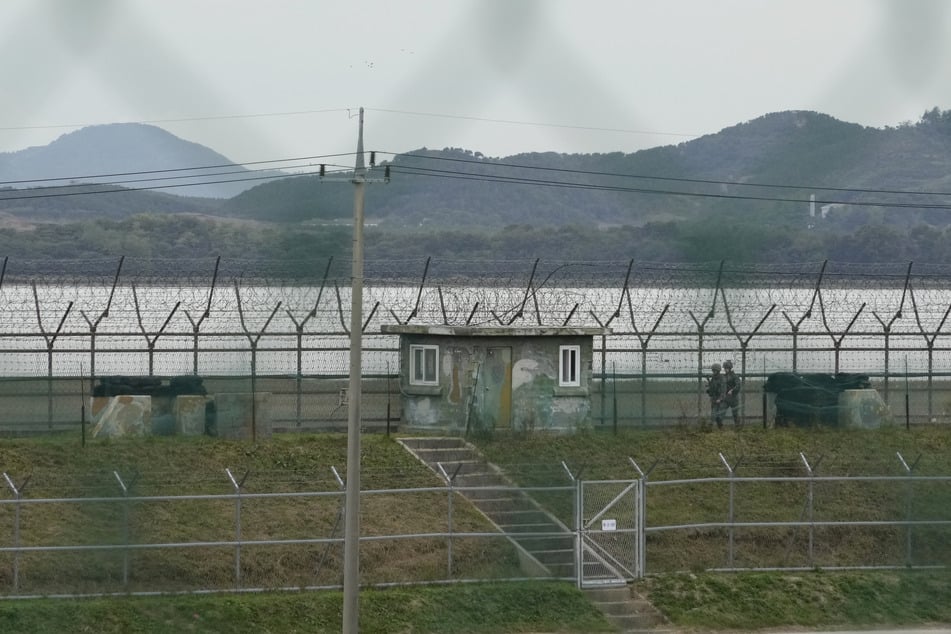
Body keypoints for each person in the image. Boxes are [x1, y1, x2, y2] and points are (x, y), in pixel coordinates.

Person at [705, 362, 727, 428]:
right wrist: (709, 389)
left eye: (715, 370)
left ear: (718, 371)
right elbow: (712, 387)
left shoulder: (722, 378)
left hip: (719, 399)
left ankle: (710, 426)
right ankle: (720, 427)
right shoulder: (713, 378)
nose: (713, 372)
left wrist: (720, 399)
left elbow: (723, 390)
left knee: (715, 413)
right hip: (714, 398)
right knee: (715, 413)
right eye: (713, 370)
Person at [722, 359, 742, 427]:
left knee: (735, 413)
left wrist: (732, 390)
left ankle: (738, 427)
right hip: (726, 397)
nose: (725, 369)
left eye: (726, 368)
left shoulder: (734, 376)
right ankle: (720, 427)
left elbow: (738, 385)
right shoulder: (724, 377)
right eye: (725, 368)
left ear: (730, 368)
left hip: (733, 397)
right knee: (722, 411)